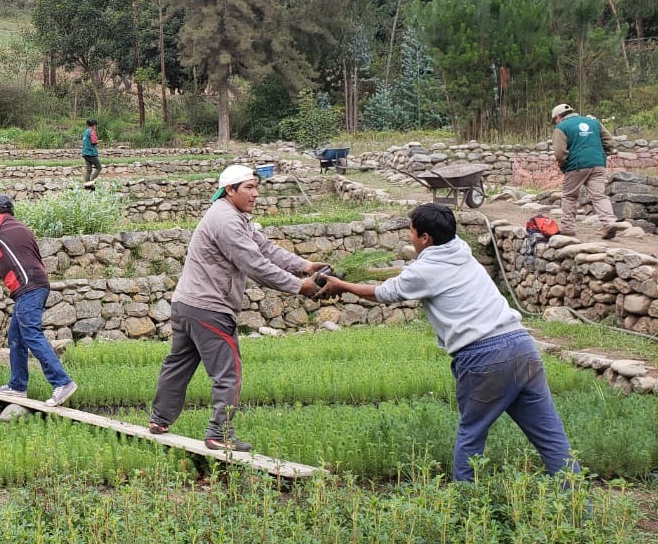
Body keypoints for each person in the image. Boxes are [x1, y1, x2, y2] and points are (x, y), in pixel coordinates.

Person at [319, 203, 579, 484]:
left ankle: (466, 505)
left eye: (411, 231)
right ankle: (580, 506)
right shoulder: (460, 249)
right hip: (522, 346)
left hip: (484, 357)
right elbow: (410, 273)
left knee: (472, 434)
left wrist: (342, 285)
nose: (410, 236)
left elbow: (384, 293)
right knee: (552, 438)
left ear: (425, 238)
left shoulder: (425, 270)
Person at [148, 165, 327, 452]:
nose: (255, 194)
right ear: (230, 190)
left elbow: (266, 249)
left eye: (256, 187)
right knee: (228, 373)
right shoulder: (227, 222)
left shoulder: (233, 216)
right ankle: (219, 433)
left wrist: (303, 265)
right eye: (249, 187)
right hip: (210, 308)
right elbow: (254, 264)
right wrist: (299, 286)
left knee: (178, 364)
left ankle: (159, 420)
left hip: (186, 304)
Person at [0, 194, 78, 406]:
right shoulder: (22, 229)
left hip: (28, 287)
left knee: (31, 333)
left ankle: (62, 382)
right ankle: (17, 386)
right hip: (37, 284)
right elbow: (4, 267)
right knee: (16, 336)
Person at [551, 103, 619, 239]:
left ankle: (568, 228)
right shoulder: (594, 123)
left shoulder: (561, 127)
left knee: (569, 196)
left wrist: (564, 166)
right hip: (598, 164)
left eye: (554, 120)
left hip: (576, 166)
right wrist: (601, 155)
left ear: (558, 117)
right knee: (599, 196)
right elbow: (609, 143)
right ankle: (610, 223)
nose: (555, 122)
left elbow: (559, 153)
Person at [82, 119, 102, 188]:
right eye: (95, 125)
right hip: (91, 153)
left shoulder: (85, 132)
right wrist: (98, 141)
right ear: (94, 126)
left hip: (85, 153)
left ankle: (87, 185)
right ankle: (91, 182)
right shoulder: (92, 132)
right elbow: (94, 142)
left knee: (89, 170)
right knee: (99, 167)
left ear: (87, 125)